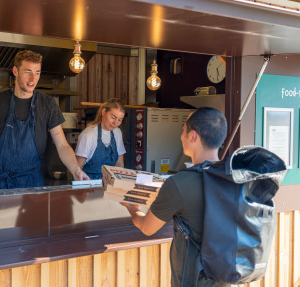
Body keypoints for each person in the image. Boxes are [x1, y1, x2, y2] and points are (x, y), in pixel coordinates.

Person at [122, 107, 229, 287]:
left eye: (183, 130)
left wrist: (132, 208)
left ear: (193, 136)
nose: (181, 136)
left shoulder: (180, 183)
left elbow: (147, 227)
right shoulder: (233, 177)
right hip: (227, 279)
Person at [0, 50, 89, 190]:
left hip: (32, 184)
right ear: (15, 71)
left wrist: (76, 169)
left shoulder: (47, 104)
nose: (33, 79)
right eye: (28, 72)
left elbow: (62, 145)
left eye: (37, 72)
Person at [75, 98, 126, 179]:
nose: (116, 123)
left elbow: (119, 164)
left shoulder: (117, 133)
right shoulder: (88, 135)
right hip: (88, 184)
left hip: (109, 183)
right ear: (103, 112)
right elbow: (77, 169)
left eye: (119, 120)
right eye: (113, 117)